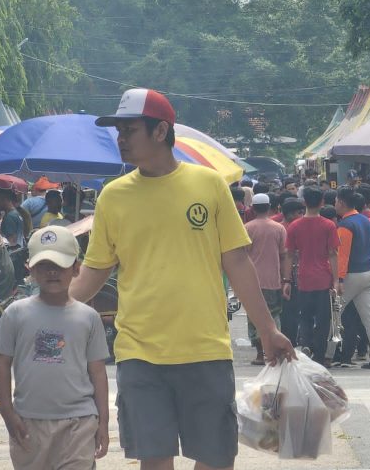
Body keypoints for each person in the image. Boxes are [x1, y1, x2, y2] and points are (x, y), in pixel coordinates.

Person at [70, 88, 294, 470]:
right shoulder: (113, 197)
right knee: (154, 461)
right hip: (139, 353)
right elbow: (95, 270)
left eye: (130, 129)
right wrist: (51, 312)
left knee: (217, 458)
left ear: (161, 132)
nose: (120, 139)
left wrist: (268, 329)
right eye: (118, 131)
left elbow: (237, 263)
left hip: (205, 349)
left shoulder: (209, 186)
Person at [0, 226, 110, 469]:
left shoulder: (88, 317)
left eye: (60, 264)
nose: (52, 271)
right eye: (44, 265)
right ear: (31, 269)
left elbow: (98, 372)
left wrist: (103, 423)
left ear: (76, 268)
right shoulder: (16, 313)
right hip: (29, 423)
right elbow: (2, 363)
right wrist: (7, 412)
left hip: (79, 422)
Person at [286, 186, 340, 366]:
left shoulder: (294, 226)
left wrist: (286, 280)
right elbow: (333, 253)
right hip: (323, 279)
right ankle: (320, 354)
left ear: (304, 203)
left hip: (303, 279)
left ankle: (306, 345)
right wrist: (336, 280)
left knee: (305, 317)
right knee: (324, 319)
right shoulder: (329, 225)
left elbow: (290, 254)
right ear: (322, 202)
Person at [334, 186, 370, 369]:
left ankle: (325, 354)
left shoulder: (345, 225)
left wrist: (339, 279)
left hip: (352, 274)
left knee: (334, 313)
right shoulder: (366, 220)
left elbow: (342, 255)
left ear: (341, 202)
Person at [244, 193, 291, 365]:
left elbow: (242, 256)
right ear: (271, 206)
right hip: (273, 280)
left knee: (253, 317)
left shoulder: (247, 228)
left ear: (253, 208)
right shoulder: (279, 228)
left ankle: (259, 353)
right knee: (274, 315)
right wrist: (286, 280)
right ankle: (274, 350)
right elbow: (284, 256)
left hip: (251, 281)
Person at [277, 197, 305, 346]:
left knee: (290, 310)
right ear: (290, 214)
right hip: (290, 275)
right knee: (290, 311)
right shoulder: (287, 229)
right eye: (298, 213)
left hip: (288, 274)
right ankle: (290, 339)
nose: (301, 215)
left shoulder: (281, 227)